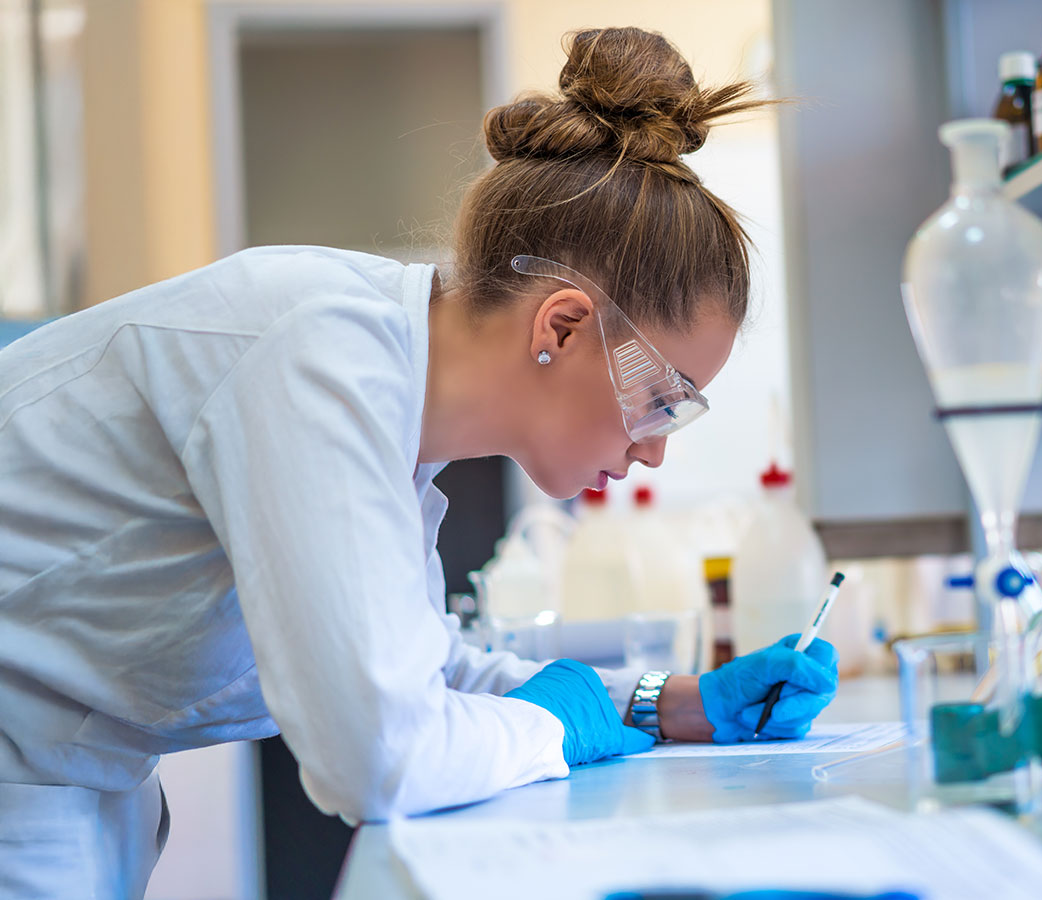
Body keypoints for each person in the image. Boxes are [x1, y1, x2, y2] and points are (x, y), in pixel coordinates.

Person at [0, 26, 837, 898]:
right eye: (664, 397)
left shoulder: (388, 397)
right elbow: (379, 756)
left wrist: (665, 702)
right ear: (561, 326)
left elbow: (421, 667)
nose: (656, 446)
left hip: (65, 793)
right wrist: (554, 728)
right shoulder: (316, 355)